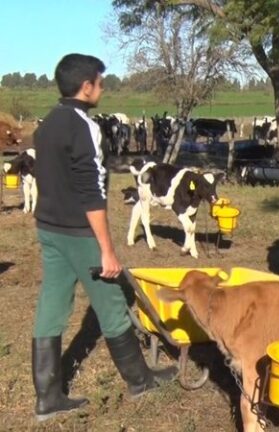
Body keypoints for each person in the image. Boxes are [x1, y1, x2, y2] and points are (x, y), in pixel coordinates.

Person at [31, 53, 176, 422]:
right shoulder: (85, 127)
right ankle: (141, 380)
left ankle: (47, 397)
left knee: (52, 305)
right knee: (111, 304)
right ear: (86, 87)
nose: (103, 87)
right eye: (100, 81)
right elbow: (91, 191)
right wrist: (107, 250)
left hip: (49, 228)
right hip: (80, 232)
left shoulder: (46, 124)